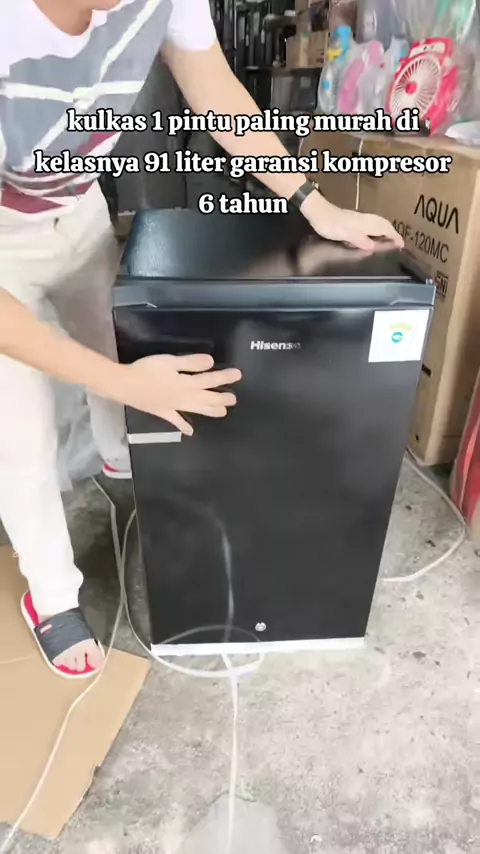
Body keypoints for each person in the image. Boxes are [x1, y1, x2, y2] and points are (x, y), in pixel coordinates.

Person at [0, 0, 403, 679]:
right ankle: (52, 593)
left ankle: (122, 461)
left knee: (118, 347)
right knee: (19, 438)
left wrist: (313, 202)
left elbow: (213, 86)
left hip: (76, 206)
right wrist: (125, 383)